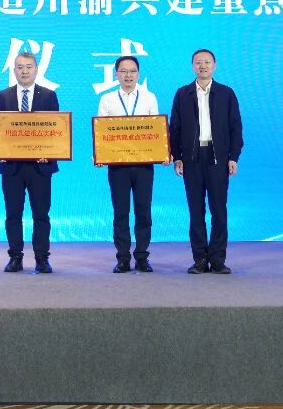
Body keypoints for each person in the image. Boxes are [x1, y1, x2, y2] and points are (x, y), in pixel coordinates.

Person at [168, 49, 243, 275]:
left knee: (219, 210)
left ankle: (218, 259)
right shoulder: (183, 94)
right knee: (196, 210)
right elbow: (175, 128)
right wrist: (177, 157)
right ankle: (200, 258)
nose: (203, 66)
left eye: (207, 62)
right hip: (191, 159)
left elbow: (235, 127)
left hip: (217, 157)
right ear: (192, 66)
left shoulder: (226, 93)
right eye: (198, 62)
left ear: (214, 66)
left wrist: (233, 157)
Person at [0, 51, 60, 274]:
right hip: (12, 166)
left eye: (29, 67)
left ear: (36, 70)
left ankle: (42, 258)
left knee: (41, 214)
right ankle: (15, 257)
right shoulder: (3, 96)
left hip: (40, 166)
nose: (24, 71)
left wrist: (50, 152)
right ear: (14, 71)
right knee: (13, 214)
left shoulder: (49, 96)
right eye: (20, 67)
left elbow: (56, 129)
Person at [96, 56, 160, 274]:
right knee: (120, 212)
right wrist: (100, 154)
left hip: (144, 165)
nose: (128, 75)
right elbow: (102, 131)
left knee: (144, 211)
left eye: (132, 71)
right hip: (118, 166)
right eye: (123, 71)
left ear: (138, 74)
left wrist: (162, 152)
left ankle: (142, 257)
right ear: (116, 74)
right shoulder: (107, 99)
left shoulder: (149, 97)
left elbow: (156, 130)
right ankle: (122, 258)